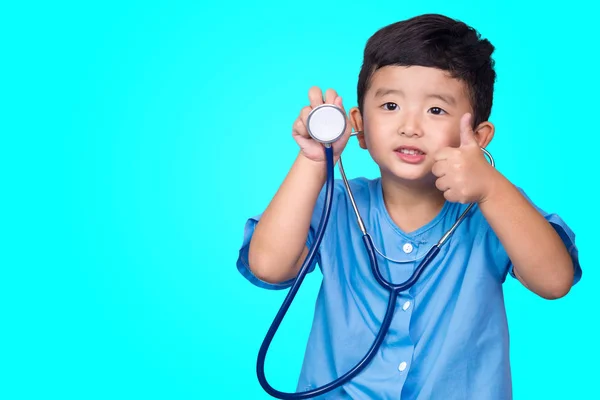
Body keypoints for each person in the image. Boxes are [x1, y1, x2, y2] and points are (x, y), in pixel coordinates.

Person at [235, 13, 581, 399]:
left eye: (436, 110)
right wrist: (314, 161)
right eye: (390, 106)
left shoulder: (495, 207)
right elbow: (268, 267)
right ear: (359, 125)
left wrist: (491, 190)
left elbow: (554, 281)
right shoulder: (335, 202)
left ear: (479, 137)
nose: (410, 126)